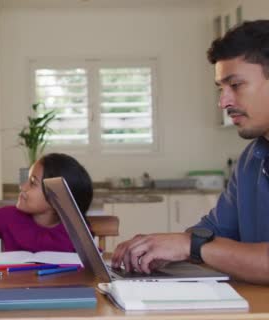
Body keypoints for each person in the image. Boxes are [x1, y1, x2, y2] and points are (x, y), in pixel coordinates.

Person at [111, 20, 269, 284]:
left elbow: (199, 245)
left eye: (236, 85)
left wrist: (189, 247)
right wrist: (163, 248)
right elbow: (214, 232)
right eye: (221, 88)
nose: (223, 102)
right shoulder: (251, 159)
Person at [0, 153, 93, 252]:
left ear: (57, 198)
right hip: (14, 294)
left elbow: (95, 271)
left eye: (32, 183)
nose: (22, 187)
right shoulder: (8, 216)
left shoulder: (78, 230)